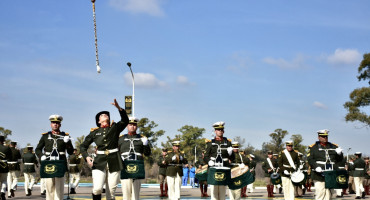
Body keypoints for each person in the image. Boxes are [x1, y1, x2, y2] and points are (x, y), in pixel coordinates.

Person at [80, 99, 129, 200]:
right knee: (97, 189)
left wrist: (119, 108)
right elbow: (83, 146)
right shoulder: (94, 132)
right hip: (99, 161)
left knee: (111, 191)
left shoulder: (115, 127)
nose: (104, 115)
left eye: (106, 115)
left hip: (114, 160)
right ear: (98, 121)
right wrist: (87, 157)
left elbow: (125, 121)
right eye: (101, 115)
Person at [35, 114, 74, 200]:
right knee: (49, 187)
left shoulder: (65, 136)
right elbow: (37, 149)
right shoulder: (45, 136)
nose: (55, 124)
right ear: (50, 124)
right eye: (53, 122)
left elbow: (71, 152)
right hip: (48, 162)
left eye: (57, 123)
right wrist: (41, 156)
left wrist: (67, 143)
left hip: (60, 163)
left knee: (59, 187)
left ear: (60, 124)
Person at [118, 116, 151, 200]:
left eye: (134, 125)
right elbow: (116, 153)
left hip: (137, 165)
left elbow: (147, 154)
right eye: (130, 124)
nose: (132, 126)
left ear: (137, 126)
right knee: (126, 192)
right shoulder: (121, 139)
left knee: (135, 194)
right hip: (125, 165)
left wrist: (146, 145)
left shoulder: (142, 138)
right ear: (126, 126)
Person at [307, 129, 344, 200]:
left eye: (326, 136)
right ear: (319, 137)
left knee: (330, 193)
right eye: (323, 136)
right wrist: (316, 167)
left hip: (331, 172)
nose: (325, 138)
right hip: (318, 173)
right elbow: (310, 159)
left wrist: (340, 154)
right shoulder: (313, 147)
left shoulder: (333, 146)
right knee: (320, 192)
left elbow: (339, 160)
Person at [204, 121, 233, 200]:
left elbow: (232, 158)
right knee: (214, 189)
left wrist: (231, 153)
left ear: (223, 131)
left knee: (223, 189)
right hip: (214, 167)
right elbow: (205, 156)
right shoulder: (210, 143)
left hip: (224, 167)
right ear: (215, 131)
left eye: (221, 130)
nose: (220, 131)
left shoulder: (228, 143)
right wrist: (209, 161)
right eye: (218, 130)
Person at [0, 135, 12, 199]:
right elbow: (10, 157)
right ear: (3, 141)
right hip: (4, 166)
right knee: (4, 180)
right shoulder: (7, 148)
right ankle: (3, 192)